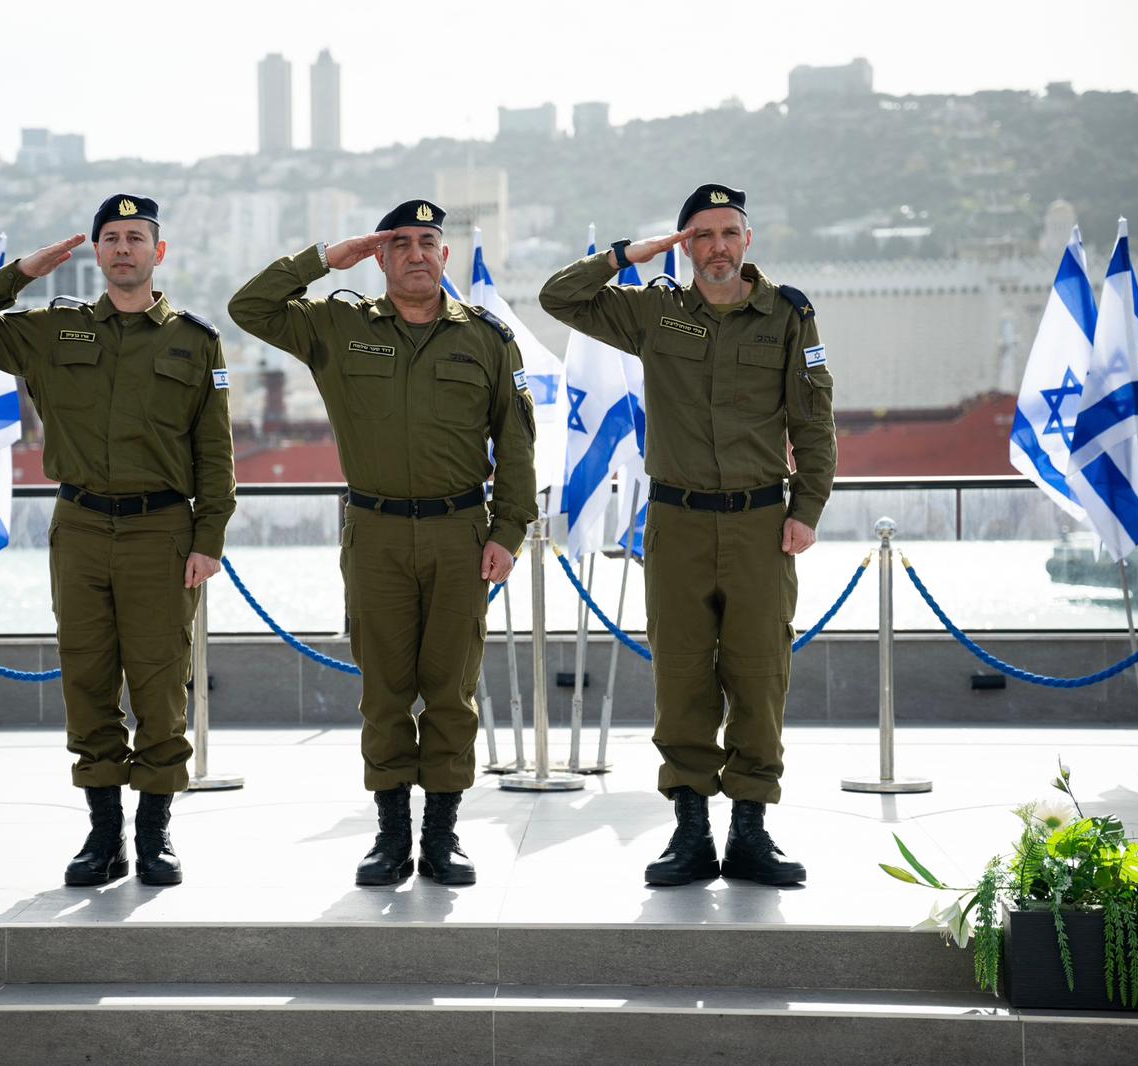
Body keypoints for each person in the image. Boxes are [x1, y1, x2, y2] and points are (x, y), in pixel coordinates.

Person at [229, 199, 537, 887]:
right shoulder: (337, 326)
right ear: (380, 257)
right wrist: (322, 260)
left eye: (429, 242)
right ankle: (391, 836)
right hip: (375, 534)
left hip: (462, 532)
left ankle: (444, 836)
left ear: (445, 256)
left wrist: (509, 531)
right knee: (386, 690)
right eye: (401, 244)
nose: (418, 254)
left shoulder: (487, 338)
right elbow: (249, 308)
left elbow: (516, 445)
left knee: (452, 691)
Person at [540, 183, 837, 886]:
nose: (716, 247)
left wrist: (807, 511)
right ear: (684, 247)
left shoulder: (788, 315)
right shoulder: (654, 312)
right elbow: (560, 298)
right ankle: (691, 831)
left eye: (728, 233)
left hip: (762, 526)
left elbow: (814, 421)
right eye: (699, 236)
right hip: (674, 523)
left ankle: (751, 833)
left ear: (747, 241)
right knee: (681, 677)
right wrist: (628, 254)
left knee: (760, 676)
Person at [0, 194, 235, 888]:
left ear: (158, 254)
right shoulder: (51, 330)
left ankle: (155, 834)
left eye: (136, 238)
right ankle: (104, 838)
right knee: (87, 681)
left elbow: (215, 454)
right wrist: (23, 272)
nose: (123, 248)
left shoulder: (195, 341)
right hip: (78, 528)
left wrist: (209, 538)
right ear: (96, 254)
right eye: (110, 238)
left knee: (161, 686)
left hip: (162, 530)